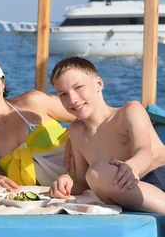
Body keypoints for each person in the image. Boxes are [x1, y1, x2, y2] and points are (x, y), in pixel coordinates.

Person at [48, 56, 165, 214]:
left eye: (78, 87)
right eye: (63, 94)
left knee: (98, 171)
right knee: (97, 173)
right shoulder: (76, 131)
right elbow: (85, 183)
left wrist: (132, 167)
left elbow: (145, 151)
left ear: (99, 84)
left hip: (159, 175)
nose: (72, 99)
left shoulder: (129, 111)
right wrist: (66, 182)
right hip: (131, 190)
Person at [0, 54, 75, 190]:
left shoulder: (33, 101)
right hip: (40, 199)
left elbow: (89, 115)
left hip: (81, 181)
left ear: (2, 83)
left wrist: (74, 136)